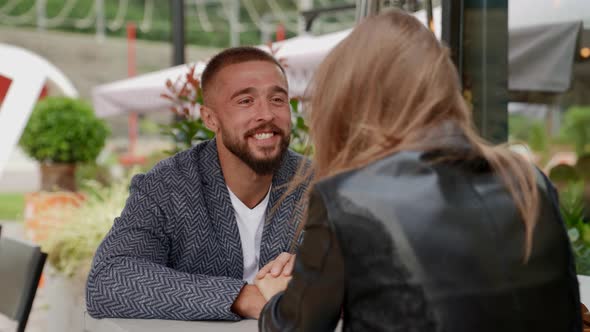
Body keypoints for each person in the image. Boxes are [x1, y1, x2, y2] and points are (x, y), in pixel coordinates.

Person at [256, 10, 582, 332]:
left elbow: (295, 326)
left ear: (347, 100)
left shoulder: (346, 198)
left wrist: (275, 299)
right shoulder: (530, 182)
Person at [86, 47, 308, 321]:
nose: (266, 114)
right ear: (210, 118)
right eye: (245, 101)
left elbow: (360, 271)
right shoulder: (168, 186)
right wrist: (244, 298)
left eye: (277, 99)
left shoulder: (318, 183)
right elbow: (108, 280)